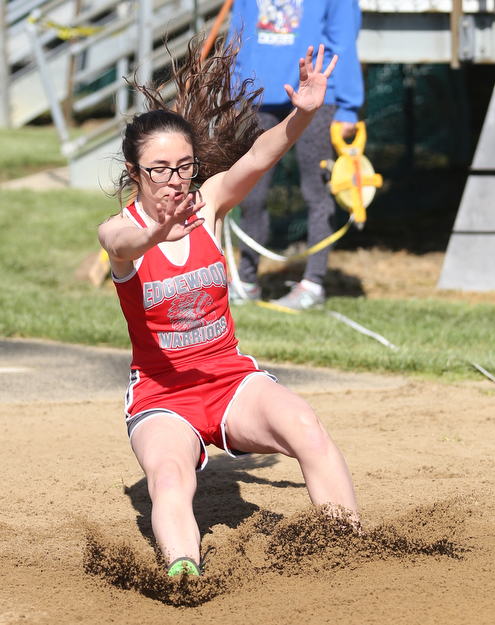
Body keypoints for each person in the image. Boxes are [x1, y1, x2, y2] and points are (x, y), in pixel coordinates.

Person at [98, 33, 360, 578]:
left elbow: (261, 155)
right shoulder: (121, 230)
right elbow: (121, 246)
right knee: (169, 479)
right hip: (162, 396)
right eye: (159, 170)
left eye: (184, 166)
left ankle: (350, 548)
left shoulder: (209, 203)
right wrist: (155, 235)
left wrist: (301, 114)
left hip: (230, 380)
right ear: (133, 173)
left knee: (305, 426)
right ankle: (184, 572)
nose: (175, 181)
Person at [228, 0, 364, 310]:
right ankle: (246, 279)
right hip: (257, 95)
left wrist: (348, 106)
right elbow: (236, 37)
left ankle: (313, 284)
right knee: (250, 192)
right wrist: (231, 93)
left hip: (317, 97)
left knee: (316, 191)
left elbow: (344, 39)